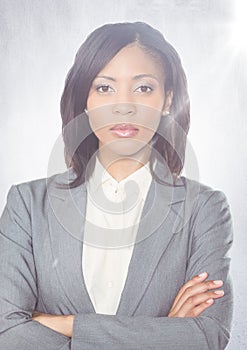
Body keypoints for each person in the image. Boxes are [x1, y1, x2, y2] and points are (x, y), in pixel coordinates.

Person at [0, 22, 233, 349]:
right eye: (105, 88)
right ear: (84, 100)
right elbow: (7, 334)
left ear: (167, 100)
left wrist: (68, 325)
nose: (123, 106)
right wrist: (162, 333)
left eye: (143, 88)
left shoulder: (205, 209)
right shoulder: (27, 204)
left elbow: (208, 337)